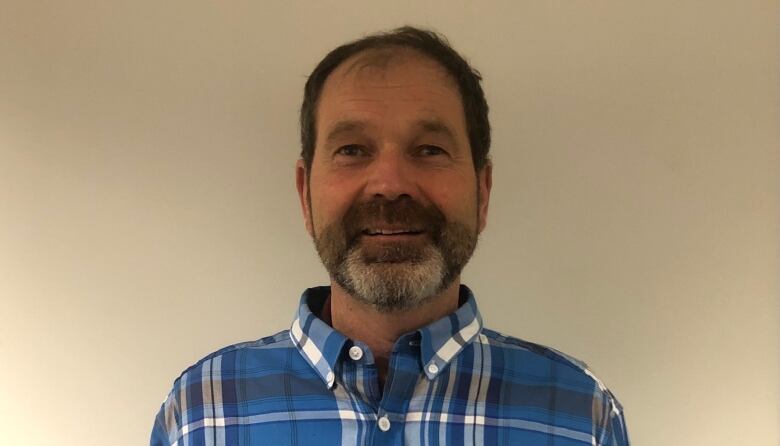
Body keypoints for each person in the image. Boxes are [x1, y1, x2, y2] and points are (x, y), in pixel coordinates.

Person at [151, 26, 629, 446]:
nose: (390, 183)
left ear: (482, 193)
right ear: (305, 193)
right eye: (353, 149)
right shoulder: (200, 413)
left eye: (429, 149)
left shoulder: (581, 417)